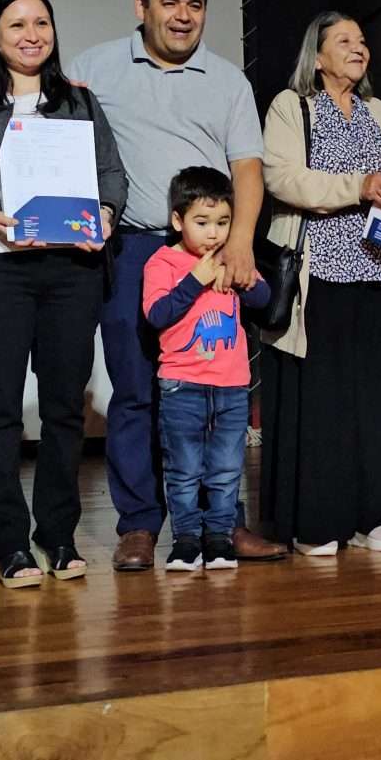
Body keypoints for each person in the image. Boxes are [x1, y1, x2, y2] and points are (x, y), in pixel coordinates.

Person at [68, 0, 285, 570]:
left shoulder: (226, 79)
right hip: (133, 247)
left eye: (194, 5)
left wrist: (240, 240)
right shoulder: (94, 68)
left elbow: (248, 166)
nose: (183, 16)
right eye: (170, 3)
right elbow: (55, 135)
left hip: (214, 251)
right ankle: (139, 526)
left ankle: (226, 525)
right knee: (135, 392)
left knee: (215, 393)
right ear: (142, 8)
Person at [0, 0, 128, 590]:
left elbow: (111, 175)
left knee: (64, 410)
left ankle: (58, 533)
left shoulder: (78, 101)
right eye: (17, 24)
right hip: (0, 267)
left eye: (41, 23)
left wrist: (102, 214)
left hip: (71, 271)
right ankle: (8, 544)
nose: (32, 35)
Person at [258, 11, 381, 556]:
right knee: (323, 406)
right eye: (344, 41)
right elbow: (282, 177)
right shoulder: (293, 106)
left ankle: (372, 514)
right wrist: (361, 185)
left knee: (374, 402)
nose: (359, 49)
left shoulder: (380, 112)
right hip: (318, 277)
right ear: (318, 55)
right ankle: (318, 521)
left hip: (377, 275)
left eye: (363, 41)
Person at [141, 167, 270, 572]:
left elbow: (264, 297)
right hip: (183, 385)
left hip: (231, 386)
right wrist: (196, 280)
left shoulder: (230, 256)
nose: (213, 233)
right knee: (183, 469)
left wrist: (241, 276)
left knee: (227, 469)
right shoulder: (162, 262)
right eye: (202, 223)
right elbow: (158, 313)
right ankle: (185, 541)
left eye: (222, 223)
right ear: (178, 221)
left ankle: (219, 538)